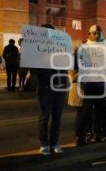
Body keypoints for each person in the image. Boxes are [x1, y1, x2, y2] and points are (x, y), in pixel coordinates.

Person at [34, 24, 68, 155]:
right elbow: (34, 69)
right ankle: (44, 143)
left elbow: (67, 64)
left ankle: (55, 142)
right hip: (45, 86)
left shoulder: (60, 47)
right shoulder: (37, 49)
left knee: (57, 116)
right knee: (44, 116)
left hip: (59, 86)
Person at [75, 24, 106, 146]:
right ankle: (81, 136)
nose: (97, 35)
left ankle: (98, 134)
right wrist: (80, 84)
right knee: (86, 112)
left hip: (101, 83)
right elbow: (80, 67)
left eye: (99, 32)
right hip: (89, 83)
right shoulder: (84, 48)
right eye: (94, 33)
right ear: (89, 34)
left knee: (100, 112)